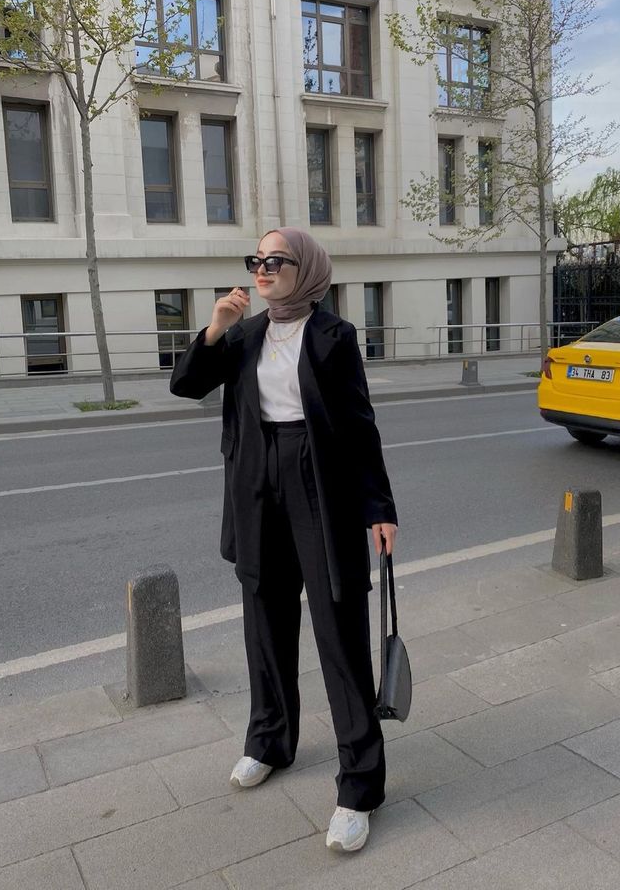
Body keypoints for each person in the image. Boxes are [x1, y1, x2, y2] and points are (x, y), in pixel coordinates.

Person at [170, 227, 398, 853]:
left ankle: (359, 784)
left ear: (307, 270)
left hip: (317, 479)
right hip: (254, 483)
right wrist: (215, 325)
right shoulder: (242, 334)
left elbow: (358, 425)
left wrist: (379, 506)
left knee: (338, 627)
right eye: (257, 261)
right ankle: (269, 740)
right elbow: (186, 383)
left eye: (275, 261)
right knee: (263, 620)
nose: (263, 270)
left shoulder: (334, 337)